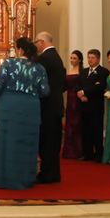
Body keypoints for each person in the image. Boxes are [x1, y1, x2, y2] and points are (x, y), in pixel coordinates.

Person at [0, 37, 50, 189]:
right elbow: (45, 91)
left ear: (20, 50)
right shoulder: (39, 68)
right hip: (30, 107)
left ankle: (5, 179)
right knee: (27, 142)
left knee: (7, 141)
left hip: (9, 105)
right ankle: (25, 178)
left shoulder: (9, 64)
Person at [35, 32, 66, 183]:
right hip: (56, 105)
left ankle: (47, 174)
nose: (35, 46)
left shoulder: (44, 59)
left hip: (47, 107)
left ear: (41, 42)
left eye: (36, 43)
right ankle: (53, 173)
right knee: (53, 142)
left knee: (47, 142)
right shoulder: (56, 57)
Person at [77, 49, 109, 162]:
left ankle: (99, 154)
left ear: (98, 59)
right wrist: (80, 95)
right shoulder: (84, 71)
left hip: (96, 106)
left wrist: (84, 92)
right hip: (84, 105)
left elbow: (100, 87)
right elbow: (78, 85)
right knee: (85, 130)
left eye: (92, 57)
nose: (90, 60)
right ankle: (87, 153)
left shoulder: (103, 72)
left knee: (96, 130)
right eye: (89, 57)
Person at [63, 50, 83, 159]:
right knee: (69, 123)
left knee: (77, 124)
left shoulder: (82, 71)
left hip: (78, 99)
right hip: (70, 99)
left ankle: (78, 151)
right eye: (71, 58)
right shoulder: (69, 70)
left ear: (79, 60)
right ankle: (68, 151)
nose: (72, 60)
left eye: (74, 58)